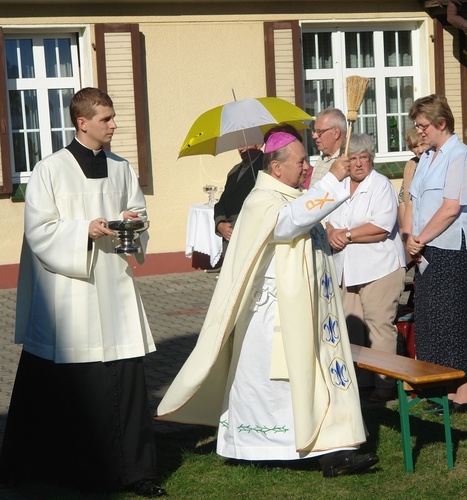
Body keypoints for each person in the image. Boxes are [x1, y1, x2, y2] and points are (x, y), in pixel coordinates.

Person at [156, 131, 378, 478]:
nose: (307, 167)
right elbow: (289, 223)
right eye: (300, 161)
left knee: (316, 378)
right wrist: (333, 179)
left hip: (310, 311)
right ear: (276, 167)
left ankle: (333, 448)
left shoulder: (290, 194)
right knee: (276, 386)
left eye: (307, 160)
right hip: (274, 316)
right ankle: (261, 447)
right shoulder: (262, 199)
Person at [0, 88, 164, 497]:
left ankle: (136, 471)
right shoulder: (50, 170)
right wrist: (83, 230)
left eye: (113, 117)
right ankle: (79, 471)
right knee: (75, 384)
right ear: (82, 122)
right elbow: (39, 230)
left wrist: (130, 221)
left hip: (115, 286)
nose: (114, 125)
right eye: (106, 118)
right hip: (70, 290)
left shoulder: (122, 167)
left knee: (126, 380)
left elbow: (138, 213)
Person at [403, 94, 467, 411]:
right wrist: (410, 239)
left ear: (441, 124)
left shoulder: (460, 155)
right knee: (434, 322)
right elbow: (413, 200)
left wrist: (419, 238)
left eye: (423, 126)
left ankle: (463, 395)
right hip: (428, 247)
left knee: (457, 321)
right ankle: (444, 389)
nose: (419, 131)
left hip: (454, 249)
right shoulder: (427, 157)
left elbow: (451, 208)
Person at [325, 134, 407, 403]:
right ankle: (359, 385)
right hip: (347, 268)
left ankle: (384, 386)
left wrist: (346, 235)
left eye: (364, 157)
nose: (358, 163)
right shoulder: (338, 186)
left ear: (371, 159)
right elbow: (324, 217)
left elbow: (381, 227)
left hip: (379, 267)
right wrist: (329, 233)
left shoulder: (380, 185)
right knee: (351, 327)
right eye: (353, 158)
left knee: (378, 326)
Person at [214, 144, 264, 258]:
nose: (241, 148)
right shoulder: (234, 171)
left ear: (259, 144)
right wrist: (220, 223)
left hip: (251, 237)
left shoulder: (266, 167)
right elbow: (221, 203)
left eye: (245, 143)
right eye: (238, 144)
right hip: (231, 238)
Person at [398, 126, 428, 233]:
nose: (420, 150)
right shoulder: (411, 164)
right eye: (415, 146)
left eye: (423, 144)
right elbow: (402, 199)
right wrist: (404, 230)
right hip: (412, 226)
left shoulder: (436, 162)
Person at [307, 108, 347, 188]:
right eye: (314, 131)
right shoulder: (321, 159)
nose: (314, 136)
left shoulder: (347, 161)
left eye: (319, 132)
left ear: (336, 133)